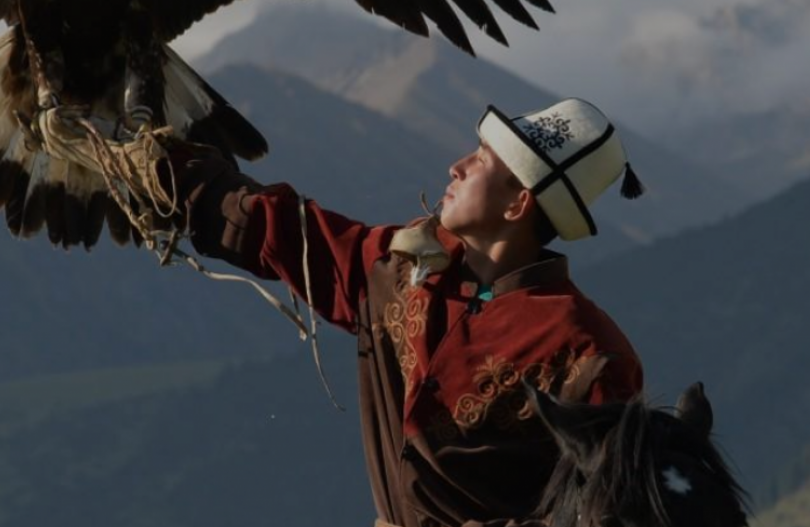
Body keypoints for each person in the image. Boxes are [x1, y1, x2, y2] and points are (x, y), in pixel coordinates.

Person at [46, 97, 646, 527]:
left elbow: (612, 511)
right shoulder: (400, 268)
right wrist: (150, 166)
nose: (456, 166)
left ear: (519, 203)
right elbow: (278, 230)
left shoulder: (587, 348)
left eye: (483, 159)